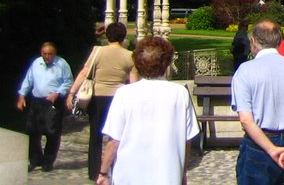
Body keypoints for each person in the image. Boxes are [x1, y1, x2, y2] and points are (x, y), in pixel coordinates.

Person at [98, 37, 199, 185]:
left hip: (129, 175)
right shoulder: (179, 93)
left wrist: (103, 172)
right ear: (167, 63)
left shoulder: (125, 93)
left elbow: (114, 141)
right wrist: (182, 171)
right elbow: (186, 139)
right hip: (167, 175)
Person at [231, 19, 284, 185]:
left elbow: (246, 119)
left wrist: (272, 150)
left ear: (254, 42)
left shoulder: (245, 71)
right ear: (279, 41)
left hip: (259, 145)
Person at [66, 22, 136, 180]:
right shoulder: (130, 55)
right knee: (116, 136)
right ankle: (114, 169)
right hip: (118, 98)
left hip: (98, 97)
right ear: (124, 37)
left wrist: (72, 92)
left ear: (107, 36)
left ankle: (94, 172)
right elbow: (133, 83)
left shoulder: (97, 52)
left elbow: (85, 73)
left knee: (95, 135)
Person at [16, 41, 73, 172]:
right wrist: (21, 95)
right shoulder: (36, 63)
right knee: (32, 131)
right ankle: (35, 160)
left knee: (52, 132)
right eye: (44, 54)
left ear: (55, 54)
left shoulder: (62, 64)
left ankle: (48, 161)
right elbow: (28, 80)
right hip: (36, 101)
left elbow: (68, 81)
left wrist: (58, 93)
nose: (47, 56)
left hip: (52, 102)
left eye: (50, 54)